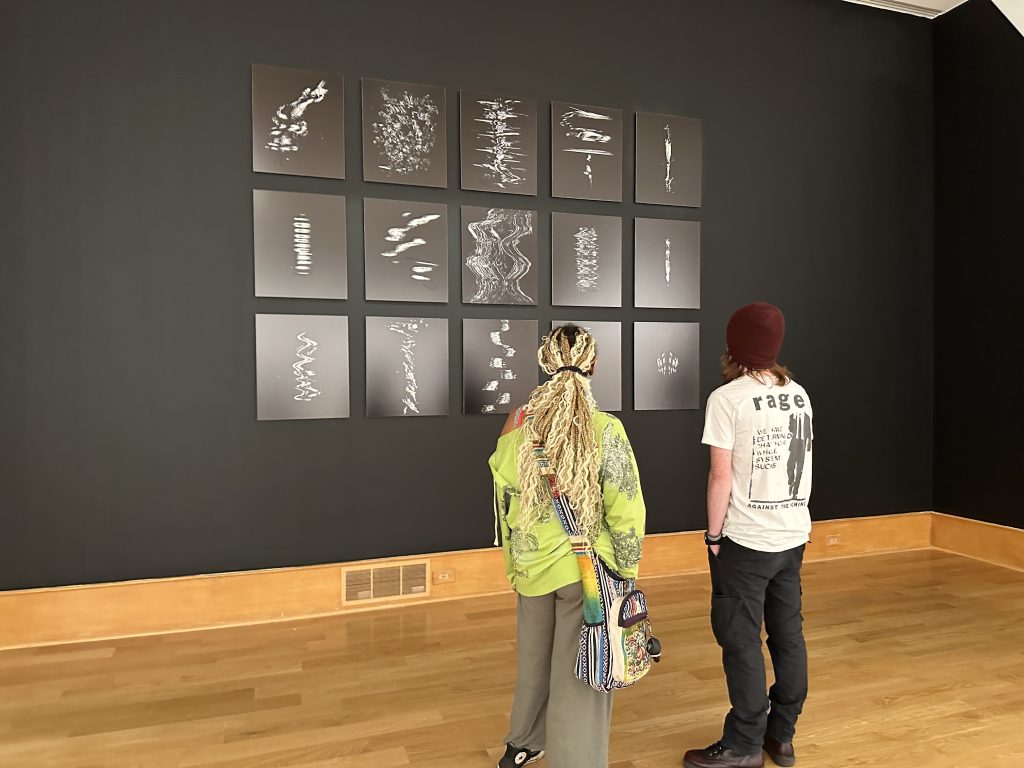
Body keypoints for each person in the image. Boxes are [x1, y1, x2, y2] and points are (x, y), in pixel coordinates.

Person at [489, 325, 646, 768]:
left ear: (544, 364)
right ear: (593, 365)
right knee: (582, 673)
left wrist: (515, 564)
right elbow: (626, 509)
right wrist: (627, 575)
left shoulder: (518, 422)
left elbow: (504, 497)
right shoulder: (605, 429)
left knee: (534, 659)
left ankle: (522, 742)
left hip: (531, 567)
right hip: (586, 573)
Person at [683, 302, 813, 768]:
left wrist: (712, 536)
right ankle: (782, 737)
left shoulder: (728, 398)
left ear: (732, 345)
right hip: (793, 535)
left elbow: (721, 477)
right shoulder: (799, 394)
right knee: (787, 635)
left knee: (740, 639)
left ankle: (742, 745)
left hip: (746, 540)